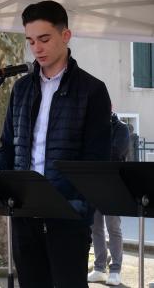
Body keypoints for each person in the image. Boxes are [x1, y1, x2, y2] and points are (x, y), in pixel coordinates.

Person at [0, 0, 111, 287]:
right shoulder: (21, 88)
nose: (37, 48)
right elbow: (8, 144)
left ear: (65, 36)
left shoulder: (93, 90)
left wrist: (78, 207)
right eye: (31, 41)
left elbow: (96, 160)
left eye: (44, 39)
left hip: (68, 217)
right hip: (24, 213)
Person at [87, 112, 129, 285]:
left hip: (113, 184)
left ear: (110, 107)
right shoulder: (92, 128)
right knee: (95, 227)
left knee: (113, 227)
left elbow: (116, 153)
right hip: (93, 183)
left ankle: (115, 269)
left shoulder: (121, 128)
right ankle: (99, 267)